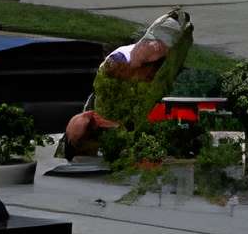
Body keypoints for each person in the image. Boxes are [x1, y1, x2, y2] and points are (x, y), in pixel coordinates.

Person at [58, 10, 190, 159]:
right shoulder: (114, 145)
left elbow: (91, 109)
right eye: (89, 120)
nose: (88, 115)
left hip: (123, 79)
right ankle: (170, 31)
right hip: (143, 95)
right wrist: (120, 125)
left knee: (135, 59)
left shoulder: (89, 119)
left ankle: (166, 30)